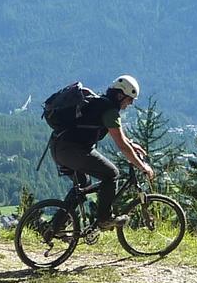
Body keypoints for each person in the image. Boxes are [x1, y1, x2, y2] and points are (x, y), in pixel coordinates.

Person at [50, 74, 155, 229]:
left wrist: (132, 144)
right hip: (73, 151)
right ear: (120, 96)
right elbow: (121, 145)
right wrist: (142, 166)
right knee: (112, 174)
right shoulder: (109, 110)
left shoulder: (100, 103)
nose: (130, 103)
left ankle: (55, 227)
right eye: (129, 99)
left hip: (58, 147)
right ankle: (104, 218)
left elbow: (122, 138)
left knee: (82, 184)